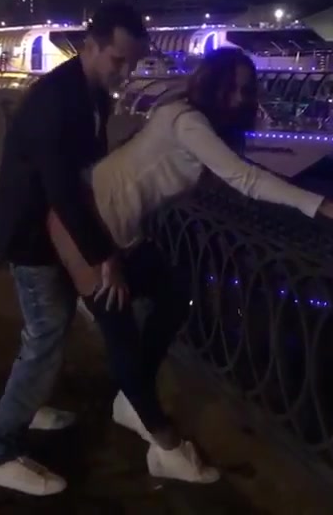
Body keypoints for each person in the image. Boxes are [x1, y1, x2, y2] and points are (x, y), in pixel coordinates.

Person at [46, 47, 333, 485]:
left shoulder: (190, 120)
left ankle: (132, 401)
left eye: (245, 90)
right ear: (210, 85)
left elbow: (234, 170)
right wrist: (320, 205)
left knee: (175, 292)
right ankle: (165, 447)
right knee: (119, 332)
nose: (238, 98)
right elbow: (245, 178)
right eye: (230, 88)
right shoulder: (187, 120)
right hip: (86, 228)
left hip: (118, 229)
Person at [0, 3, 149, 495]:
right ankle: (1, 451)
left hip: (48, 231)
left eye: (133, 62)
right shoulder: (57, 101)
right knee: (46, 335)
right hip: (32, 235)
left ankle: (29, 405)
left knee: (43, 332)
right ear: (91, 47)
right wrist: (104, 256)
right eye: (118, 60)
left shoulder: (88, 92)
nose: (126, 72)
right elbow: (62, 190)